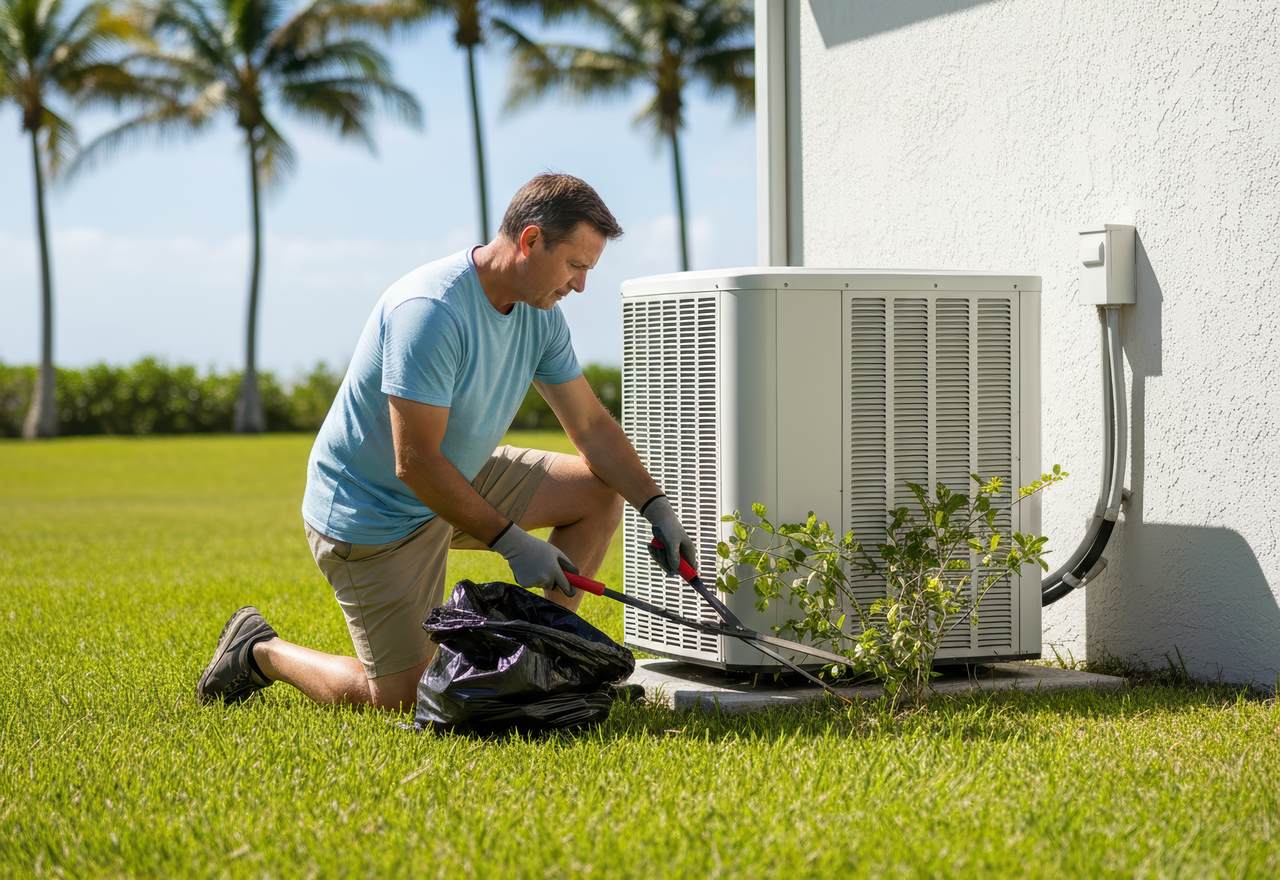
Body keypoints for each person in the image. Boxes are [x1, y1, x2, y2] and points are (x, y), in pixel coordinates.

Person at [195, 173, 697, 710]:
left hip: (459, 470)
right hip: (375, 511)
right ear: (530, 241)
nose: (580, 286)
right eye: (575, 265)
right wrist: (510, 539)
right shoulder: (430, 311)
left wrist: (656, 505)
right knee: (408, 697)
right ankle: (259, 650)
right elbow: (414, 462)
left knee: (597, 492)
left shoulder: (540, 314)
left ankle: (541, 661)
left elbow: (592, 427)